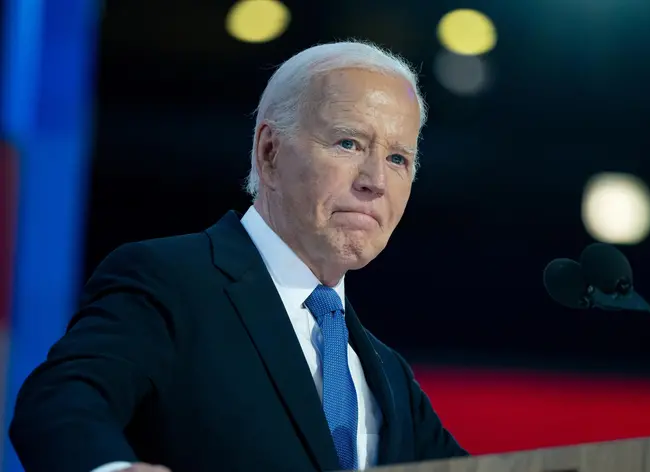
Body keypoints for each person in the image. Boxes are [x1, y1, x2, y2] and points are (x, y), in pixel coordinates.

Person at [9, 41, 468, 472]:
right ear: (269, 153)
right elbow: (61, 402)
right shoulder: (170, 282)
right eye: (349, 143)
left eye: (398, 159)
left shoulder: (389, 376)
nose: (375, 181)